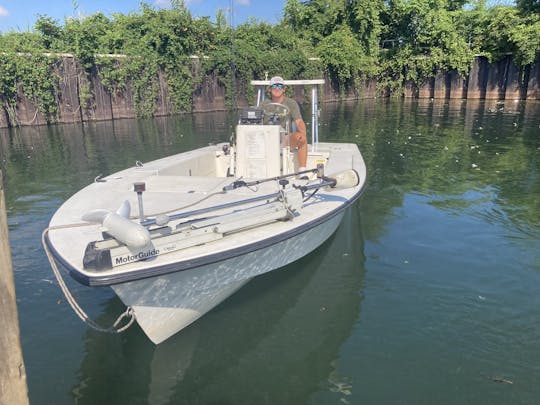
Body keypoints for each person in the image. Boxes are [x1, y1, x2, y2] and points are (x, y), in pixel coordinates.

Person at [260, 76, 308, 172]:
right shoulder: (263, 104)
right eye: (274, 86)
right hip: (266, 138)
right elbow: (256, 121)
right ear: (270, 89)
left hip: (284, 138)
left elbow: (298, 121)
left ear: (284, 89)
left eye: (280, 86)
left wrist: (303, 132)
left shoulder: (291, 103)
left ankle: (302, 170)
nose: (277, 88)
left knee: (302, 138)